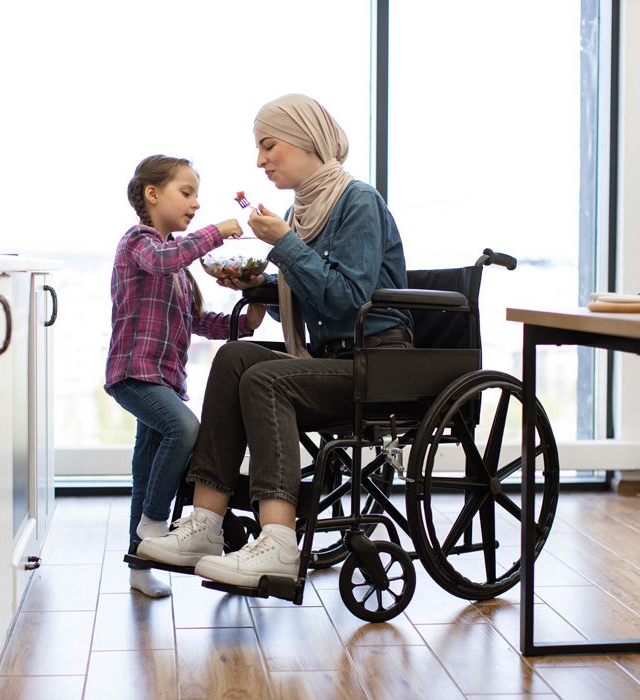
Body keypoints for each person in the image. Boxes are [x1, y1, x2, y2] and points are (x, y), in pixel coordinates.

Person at [137, 95, 413, 588]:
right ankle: (205, 524)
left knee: (266, 378)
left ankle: (280, 543)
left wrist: (283, 244)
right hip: (327, 359)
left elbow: (349, 300)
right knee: (236, 355)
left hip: (376, 362)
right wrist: (254, 285)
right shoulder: (301, 211)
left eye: (268, 146)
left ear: (307, 141)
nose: (260, 160)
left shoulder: (358, 201)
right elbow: (310, 289)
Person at [105, 154, 267, 597]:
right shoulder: (139, 243)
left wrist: (249, 321)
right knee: (185, 427)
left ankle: (141, 564)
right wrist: (219, 231)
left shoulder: (176, 270)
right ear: (152, 195)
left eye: (197, 195)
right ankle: (157, 527)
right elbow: (164, 258)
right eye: (186, 192)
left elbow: (199, 321)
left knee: (146, 469)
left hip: (163, 380)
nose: (195, 203)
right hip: (134, 374)